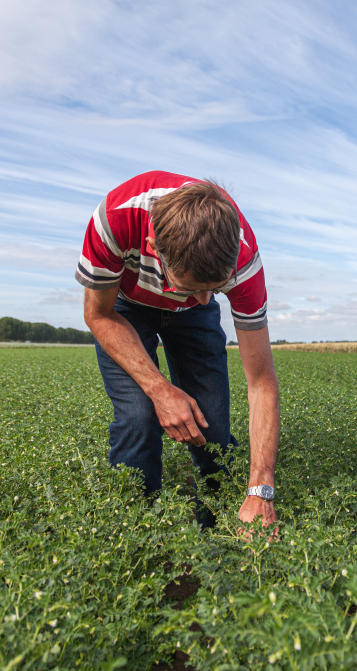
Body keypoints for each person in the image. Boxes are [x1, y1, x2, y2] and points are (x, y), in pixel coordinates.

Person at [75, 171, 279, 531]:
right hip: (123, 308)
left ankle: (217, 527)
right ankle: (135, 530)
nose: (203, 300)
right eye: (190, 287)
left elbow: (261, 382)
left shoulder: (243, 260)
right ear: (154, 249)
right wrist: (160, 390)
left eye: (215, 288)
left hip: (190, 319)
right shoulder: (115, 219)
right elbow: (98, 314)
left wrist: (260, 489)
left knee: (212, 425)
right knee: (138, 417)